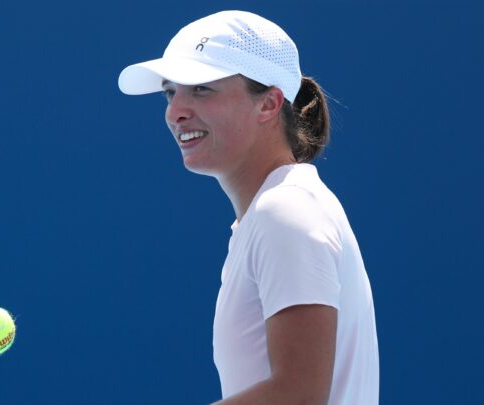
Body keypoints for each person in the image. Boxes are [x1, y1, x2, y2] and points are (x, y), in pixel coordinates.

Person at [118, 10, 379, 405]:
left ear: (269, 104)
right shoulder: (276, 211)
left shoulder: (285, 211)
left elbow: (300, 394)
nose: (175, 111)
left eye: (202, 88)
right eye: (170, 92)